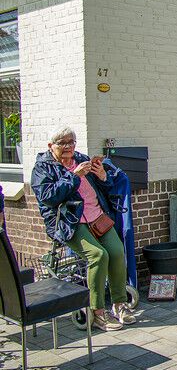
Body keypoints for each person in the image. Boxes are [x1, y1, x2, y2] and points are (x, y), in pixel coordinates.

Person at [31, 126, 136, 331]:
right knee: (98, 255)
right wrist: (74, 176)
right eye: (63, 143)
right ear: (51, 146)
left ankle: (119, 303)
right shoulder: (42, 168)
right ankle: (97, 312)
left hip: (97, 215)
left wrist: (102, 176)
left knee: (116, 251)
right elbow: (48, 197)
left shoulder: (80, 158)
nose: (69, 147)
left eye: (72, 142)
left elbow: (102, 189)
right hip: (69, 222)